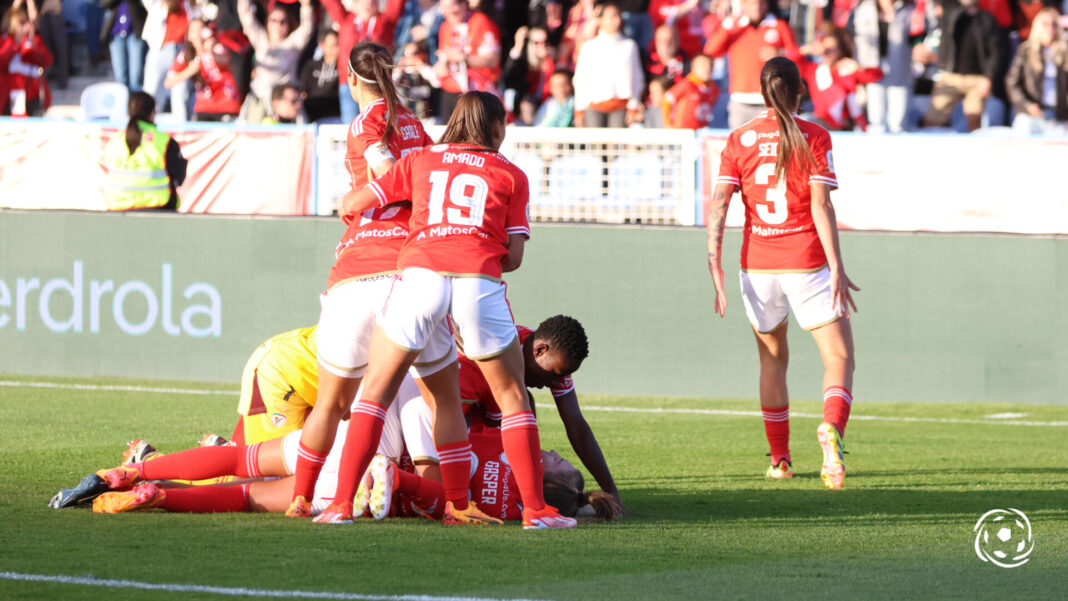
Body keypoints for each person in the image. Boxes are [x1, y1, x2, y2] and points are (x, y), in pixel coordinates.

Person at [319, 91, 575, 530]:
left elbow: (357, 202)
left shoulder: (421, 160)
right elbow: (513, 257)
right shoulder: (511, 173)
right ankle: (535, 511)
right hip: (478, 279)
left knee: (376, 393)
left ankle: (340, 506)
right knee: (511, 399)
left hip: (420, 275)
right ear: (496, 127)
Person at [286, 41, 436, 522]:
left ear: (351, 80)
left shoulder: (365, 120)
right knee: (438, 396)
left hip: (361, 261)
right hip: (414, 265)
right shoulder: (413, 122)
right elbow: (429, 178)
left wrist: (363, 196)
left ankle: (305, 497)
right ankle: (451, 499)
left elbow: (387, 173)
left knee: (333, 403)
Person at [705, 57, 858, 490]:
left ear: (761, 91)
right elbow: (820, 206)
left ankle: (780, 460)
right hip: (805, 260)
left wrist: (714, 264)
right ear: (799, 92)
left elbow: (719, 205)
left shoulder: (739, 138)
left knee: (772, 361)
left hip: (757, 265)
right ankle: (831, 430)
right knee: (839, 359)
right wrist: (837, 268)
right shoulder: (815, 136)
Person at [456, 316, 624, 511]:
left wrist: (611, 490)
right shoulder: (492, 353)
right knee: (520, 402)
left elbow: (576, 425)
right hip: (446, 402)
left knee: (522, 403)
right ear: (540, 350)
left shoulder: (555, 361)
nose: (556, 383)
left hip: (485, 407)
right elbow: (448, 413)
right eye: (555, 374)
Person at [703, 0, 801, 129]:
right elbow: (710, 51)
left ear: (766, 4)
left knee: (772, 144)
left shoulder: (779, 25)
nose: (757, 7)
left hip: (772, 100)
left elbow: (797, 56)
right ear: (743, 5)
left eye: (760, 3)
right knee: (741, 144)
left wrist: (780, 53)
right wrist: (729, 22)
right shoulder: (734, 27)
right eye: (752, 3)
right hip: (740, 100)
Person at [916, 0, 1006, 131]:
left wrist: (989, 78)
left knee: (974, 119)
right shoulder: (949, 13)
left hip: (977, 79)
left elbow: (996, 52)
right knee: (933, 118)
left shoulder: (987, 19)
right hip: (950, 76)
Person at [320, 0, 405, 124]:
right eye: (363, 1)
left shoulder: (386, 21)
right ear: (355, 4)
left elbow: (397, 3)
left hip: (377, 82)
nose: (368, 4)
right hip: (350, 82)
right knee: (351, 124)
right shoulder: (345, 19)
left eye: (372, 1)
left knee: (378, 124)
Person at [103, 91, 188, 211]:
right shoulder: (164, 141)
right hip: (158, 209)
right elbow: (179, 177)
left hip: (117, 210)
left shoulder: (114, 142)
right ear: (152, 113)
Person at [236, 0, 313, 124]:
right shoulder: (260, 39)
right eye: (274, 20)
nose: (278, 24)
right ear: (267, 23)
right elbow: (246, 16)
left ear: (289, 24)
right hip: (260, 101)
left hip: (287, 105)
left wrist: (306, 5)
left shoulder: (293, 44)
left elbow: (307, 28)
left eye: (283, 21)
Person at [572, 2, 645, 128]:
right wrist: (579, 109)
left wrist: (634, 104)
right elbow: (581, 79)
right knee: (595, 146)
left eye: (617, 16)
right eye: (610, 16)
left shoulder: (629, 46)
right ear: (600, 20)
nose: (615, 20)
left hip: (621, 106)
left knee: (617, 146)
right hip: (594, 106)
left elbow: (637, 78)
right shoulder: (589, 47)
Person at [797, 25, 883, 131]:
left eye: (832, 48)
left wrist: (859, 68)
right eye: (826, 47)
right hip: (822, 123)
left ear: (841, 50)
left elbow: (877, 75)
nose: (827, 51)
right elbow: (791, 62)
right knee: (804, 121)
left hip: (846, 125)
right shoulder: (814, 70)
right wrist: (807, 49)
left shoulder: (847, 69)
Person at [433, 0, 502, 122]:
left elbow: (492, 59)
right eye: (444, 7)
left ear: (464, 4)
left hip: (478, 92)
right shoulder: (445, 26)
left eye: (452, 6)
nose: (448, 11)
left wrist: (463, 58)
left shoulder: (480, 21)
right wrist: (441, 66)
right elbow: (444, 58)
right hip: (450, 90)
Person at [164, 20, 243, 121]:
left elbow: (226, 60)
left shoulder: (215, 46)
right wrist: (189, 71)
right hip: (203, 107)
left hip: (225, 105)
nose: (197, 32)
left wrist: (205, 50)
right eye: (194, 30)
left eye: (200, 28)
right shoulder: (186, 55)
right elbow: (168, 82)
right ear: (188, 35)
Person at [1006, 7, 1068, 135]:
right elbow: (1012, 83)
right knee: (1023, 131)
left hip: (1057, 117)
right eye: (1045, 24)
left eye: (1054, 24)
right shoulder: (1025, 51)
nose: (1050, 28)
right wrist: (1027, 105)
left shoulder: (1064, 53)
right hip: (1031, 115)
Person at [0, 3, 52, 116]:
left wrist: (33, 42)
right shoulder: (4, 41)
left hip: (32, 98)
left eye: (26, 22)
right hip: (6, 100)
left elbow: (47, 60)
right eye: (21, 23)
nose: (25, 26)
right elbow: (2, 60)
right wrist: (15, 44)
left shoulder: (32, 40)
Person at [101, 0, 148, 92]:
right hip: (116, 32)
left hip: (135, 31)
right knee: (120, 77)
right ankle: (122, 104)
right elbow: (104, 3)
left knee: (136, 77)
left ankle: (135, 105)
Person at [663, 53, 719, 129]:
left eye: (710, 65)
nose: (707, 68)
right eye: (703, 65)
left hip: (701, 131)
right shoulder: (687, 84)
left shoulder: (714, 89)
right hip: (683, 131)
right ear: (693, 68)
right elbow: (666, 100)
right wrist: (667, 123)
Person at [299, 30, 341, 123]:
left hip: (336, 113)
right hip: (312, 112)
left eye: (338, 45)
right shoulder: (310, 66)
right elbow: (303, 91)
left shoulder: (344, 67)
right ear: (322, 45)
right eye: (333, 45)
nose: (337, 49)